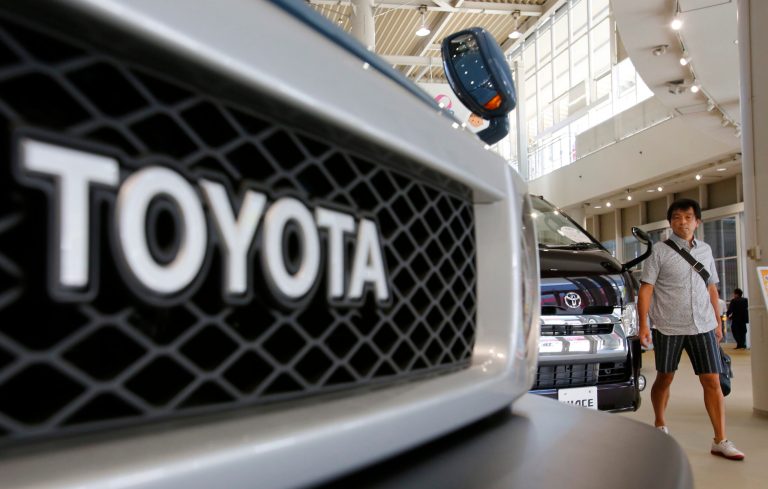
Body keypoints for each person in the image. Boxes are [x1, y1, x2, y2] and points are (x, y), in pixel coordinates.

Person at [637, 198, 745, 460]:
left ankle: (721, 439)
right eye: (676, 217)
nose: (682, 221)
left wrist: (718, 323)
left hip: (704, 326)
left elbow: (711, 287)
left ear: (697, 221)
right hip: (668, 326)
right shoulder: (658, 251)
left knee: (712, 380)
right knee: (665, 377)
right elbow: (646, 288)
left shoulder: (706, 251)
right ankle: (660, 425)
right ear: (670, 222)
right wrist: (643, 324)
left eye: (687, 217)